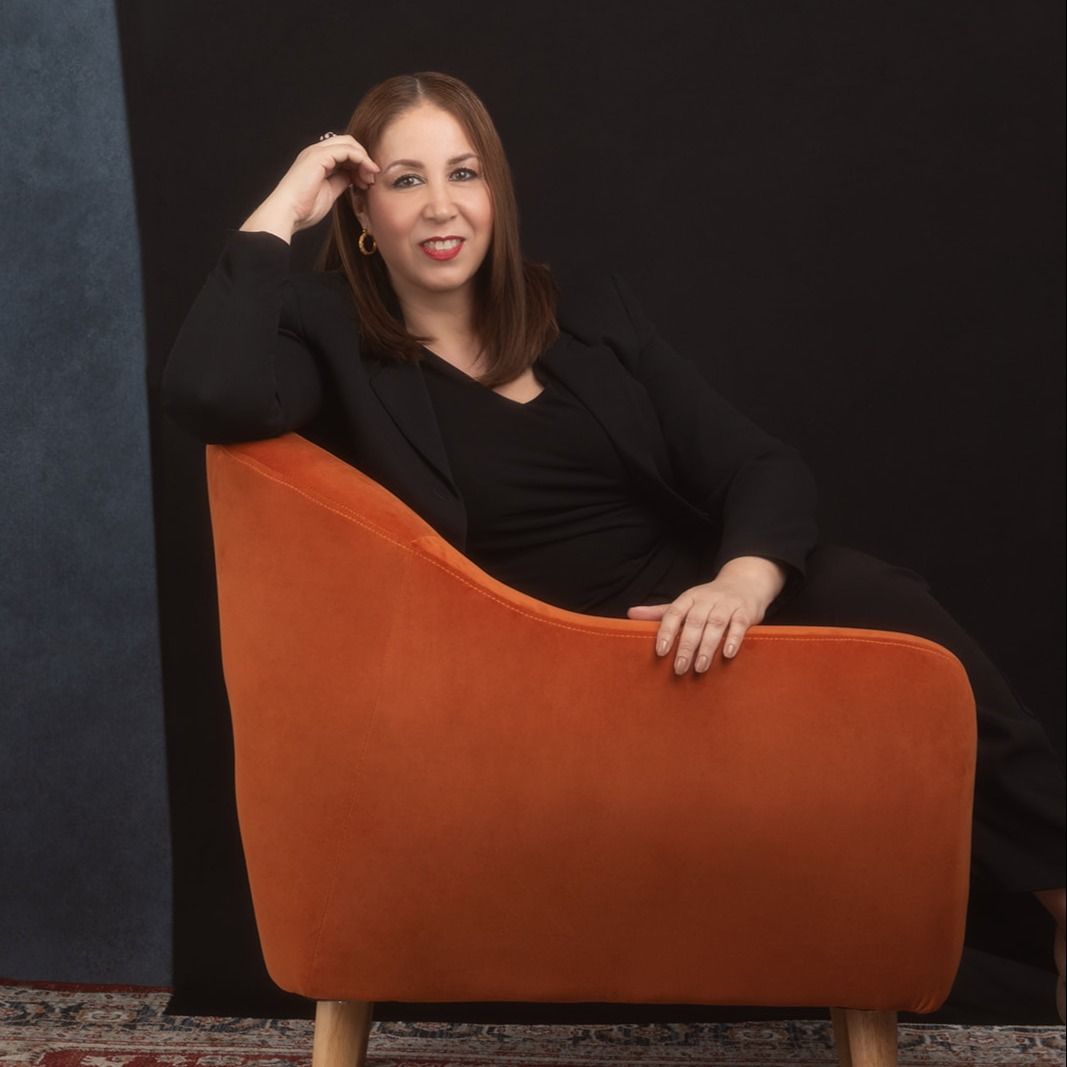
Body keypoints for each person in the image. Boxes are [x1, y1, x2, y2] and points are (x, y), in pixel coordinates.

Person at [161, 71, 1065, 1019]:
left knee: (892, 613)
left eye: (463, 173)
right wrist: (284, 204)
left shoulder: (579, 308)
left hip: (702, 609)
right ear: (361, 212)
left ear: (494, 192)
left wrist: (741, 581)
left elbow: (756, 462)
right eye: (404, 180)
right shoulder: (329, 335)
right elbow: (210, 396)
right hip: (556, 659)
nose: (440, 206)